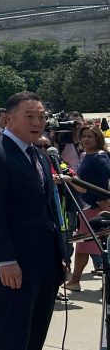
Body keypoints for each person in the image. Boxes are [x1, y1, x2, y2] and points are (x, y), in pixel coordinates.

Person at [0, 92, 67, 350]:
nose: (37, 122)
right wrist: (5, 260)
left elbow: (50, 209)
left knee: (35, 335)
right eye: (29, 116)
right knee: (14, 336)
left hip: (46, 262)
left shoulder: (39, 155)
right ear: (7, 119)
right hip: (15, 264)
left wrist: (61, 254)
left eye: (41, 116)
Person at [65, 123, 110, 290]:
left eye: (90, 136)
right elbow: (84, 184)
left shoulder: (99, 157)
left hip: (98, 207)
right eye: (83, 136)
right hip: (88, 205)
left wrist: (104, 200)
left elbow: (105, 178)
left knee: (86, 246)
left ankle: (75, 281)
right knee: (84, 246)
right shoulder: (87, 155)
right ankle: (75, 281)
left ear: (97, 138)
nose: (86, 139)